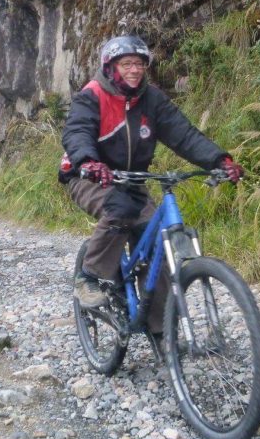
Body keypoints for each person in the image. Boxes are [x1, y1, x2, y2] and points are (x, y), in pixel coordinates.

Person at [59, 35, 244, 337]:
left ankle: (160, 332)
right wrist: (89, 162)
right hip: (89, 176)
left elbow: (184, 135)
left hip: (132, 180)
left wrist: (219, 161)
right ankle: (89, 277)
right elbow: (77, 132)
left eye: (140, 64)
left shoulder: (152, 99)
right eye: (127, 64)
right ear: (111, 67)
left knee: (158, 243)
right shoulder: (92, 96)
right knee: (120, 209)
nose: (134, 70)